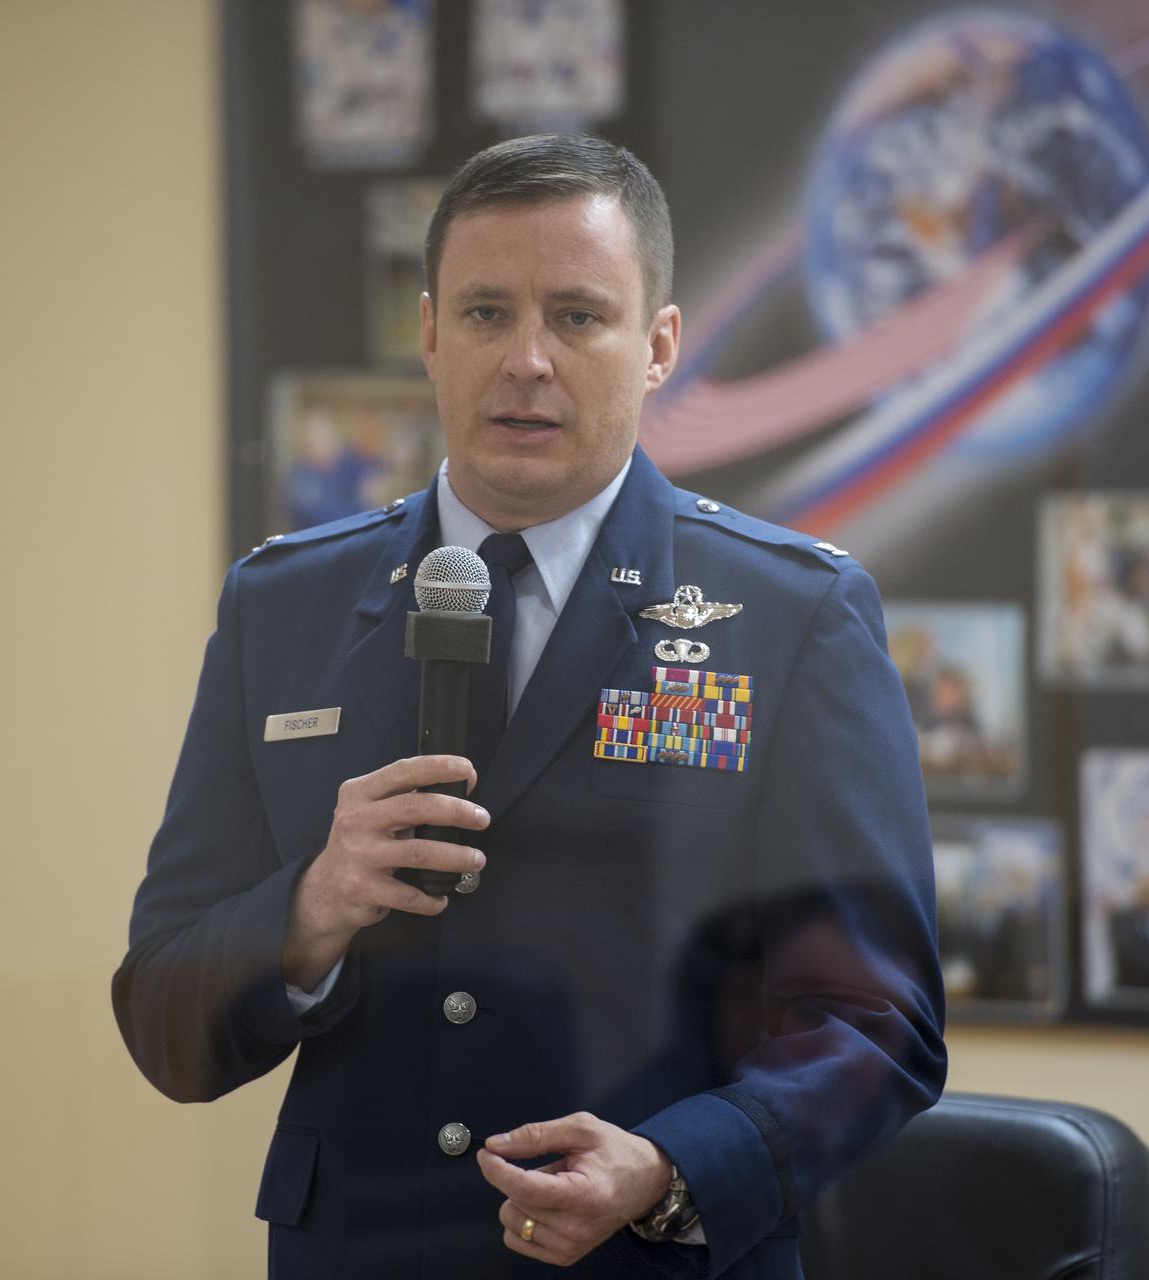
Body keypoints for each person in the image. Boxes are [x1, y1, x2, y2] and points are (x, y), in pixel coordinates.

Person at [113, 134, 946, 1280]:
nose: (527, 361)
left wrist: (673, 1163)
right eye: (488, 313)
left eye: (578, 316)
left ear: (658, 348)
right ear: (429, 335)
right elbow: (163, 1015)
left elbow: (877, 1027)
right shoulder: (284, 603)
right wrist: (310, 906)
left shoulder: (790, 614)